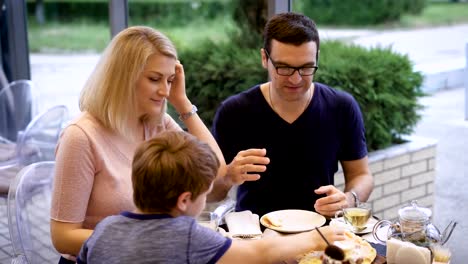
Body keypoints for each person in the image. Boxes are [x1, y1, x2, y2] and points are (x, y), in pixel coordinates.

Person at [50, 26, 227, 262]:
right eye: (155, 79)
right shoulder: (80, 137)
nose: (165, 91)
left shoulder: (157, 124)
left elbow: (215, 171)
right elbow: (62, 237)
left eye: (170, 80)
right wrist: (142, 241)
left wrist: (183, 103)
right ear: (123, 78)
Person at [76, 130, 345, 264]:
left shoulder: (103, 230)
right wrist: (318, 237)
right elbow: (260, 252)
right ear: (184, 200)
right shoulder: (189, 236)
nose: (206, 199)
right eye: (204, 194)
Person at [210, 12, 374, 218]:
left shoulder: (341, 107)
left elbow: (361, 174)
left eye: (306, 68)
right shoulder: (234, 112)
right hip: (254, 238)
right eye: (284, 68)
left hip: (320, 234)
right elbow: (211, 193)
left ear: (317, 58)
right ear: (264, 58)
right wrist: (228, 177)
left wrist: (349, 199)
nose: (296, 79)